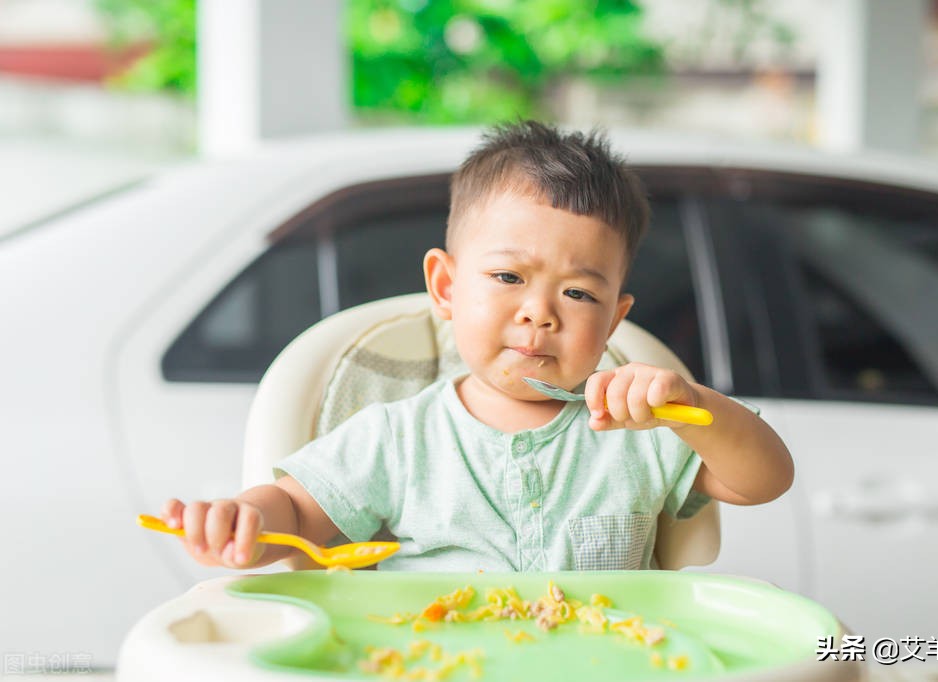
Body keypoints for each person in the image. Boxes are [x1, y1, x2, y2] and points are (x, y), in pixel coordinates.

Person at [162, 120, 793, 572]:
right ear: (445, 286)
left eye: (578, 293)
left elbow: (765, 479)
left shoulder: (643, 428)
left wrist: (692, 407)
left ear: (612, 320)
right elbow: (297, 513)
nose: (539, 312)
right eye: (509, 277)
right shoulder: (397, 438)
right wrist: (244, 520)